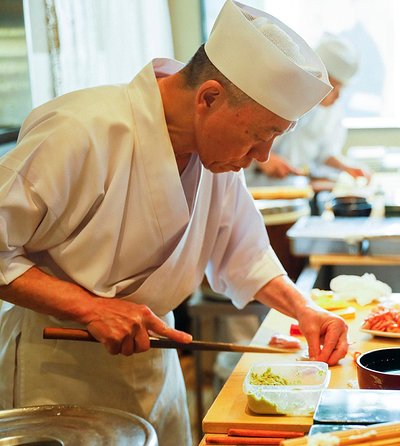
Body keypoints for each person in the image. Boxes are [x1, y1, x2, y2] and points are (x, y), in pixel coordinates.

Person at [0, 2, 349, 445]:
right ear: (208, 98)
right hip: (62, 369)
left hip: (154, 365)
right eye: (259, 136)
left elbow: (243, 253)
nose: (262, 156)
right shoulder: (80, 130)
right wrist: (89, 308)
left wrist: (305, 310)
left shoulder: (217, 159)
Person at [255, 33, 369, 181]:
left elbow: (324, 152)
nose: (338, 96)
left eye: (342, 88)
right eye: (334, 87)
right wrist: (264, 161)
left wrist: (347, 168)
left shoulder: (331, 112)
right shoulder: (279, 95)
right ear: (316, 77)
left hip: (296, 187)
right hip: (257, 185)